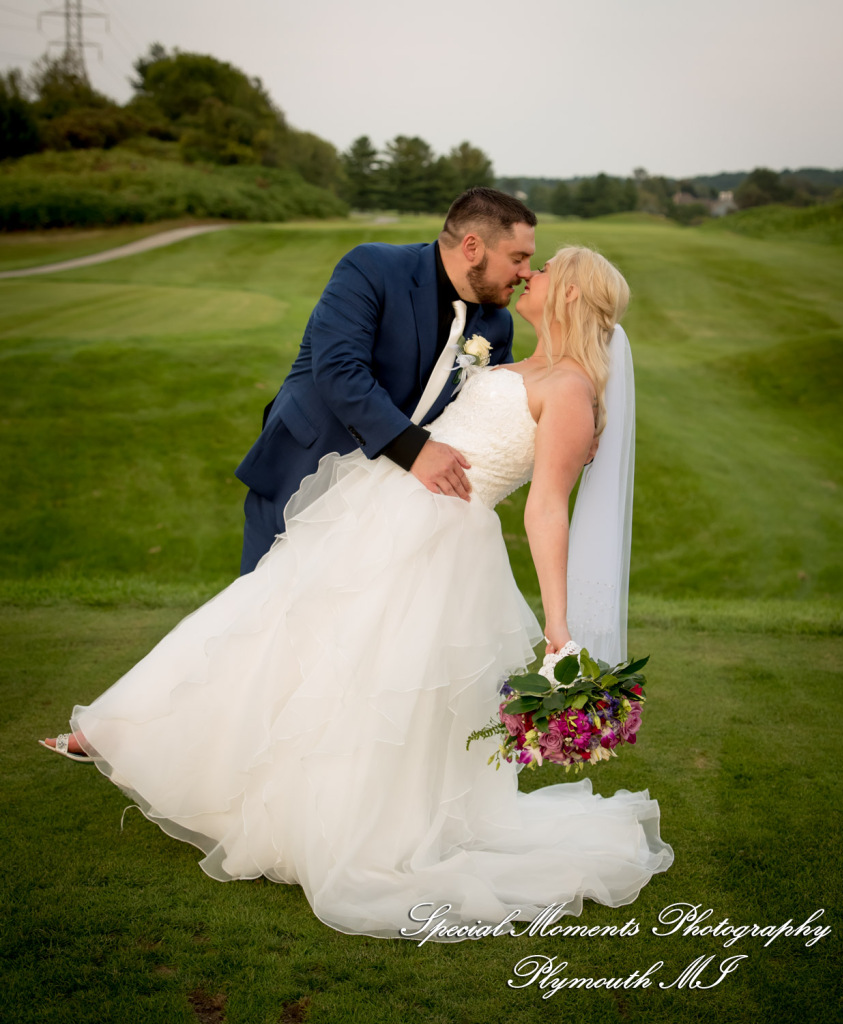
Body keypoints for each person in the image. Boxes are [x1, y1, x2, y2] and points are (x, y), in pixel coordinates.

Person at [40, 246, 673, 939]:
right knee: (271, 622)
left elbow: (547, 509)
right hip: (380, 509)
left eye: (546, 266)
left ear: (573, 295)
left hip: (440, 544)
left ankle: (343, 826)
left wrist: (559, 630)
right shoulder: (519, 362)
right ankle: (129, 736)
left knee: (373, 680)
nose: (531, 273)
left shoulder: (574, 389)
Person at [236, 187, 537, 573]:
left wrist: (573, 415)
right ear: (473, 247)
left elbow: (499, 401)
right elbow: (339, 368)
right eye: (518, 257)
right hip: (304, 469)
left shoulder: (497, 323)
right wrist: (414, 449)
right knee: (266, 613)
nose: (526, 272)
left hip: (389, 504)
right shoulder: (372, 268)